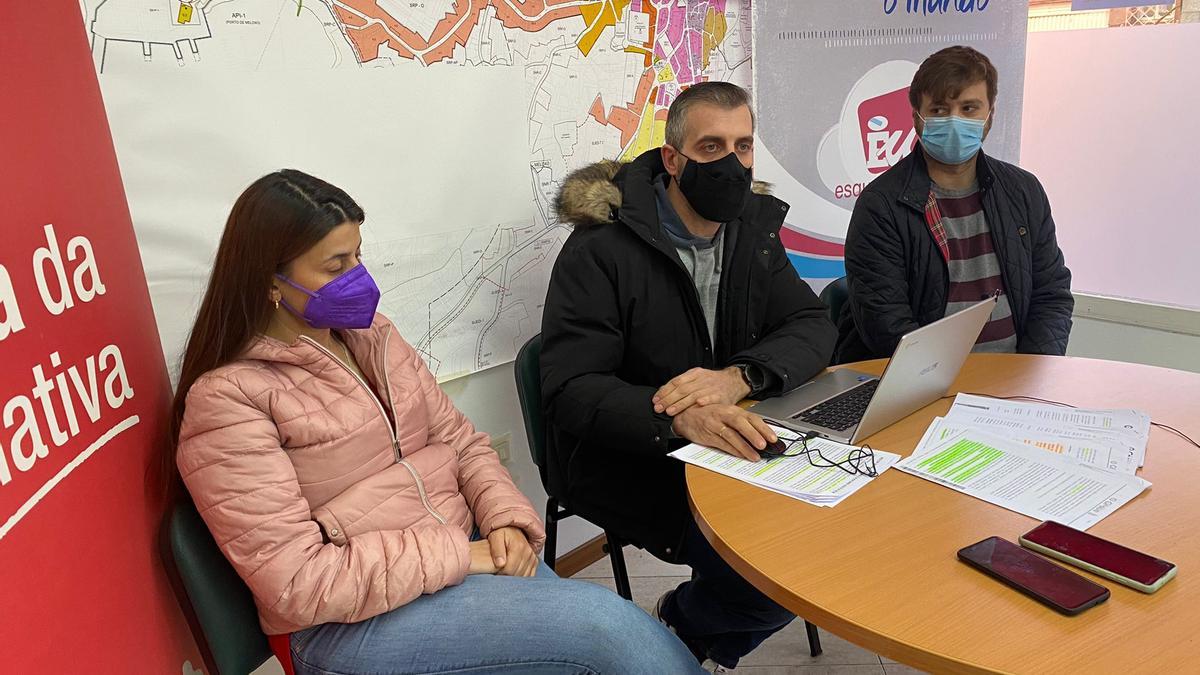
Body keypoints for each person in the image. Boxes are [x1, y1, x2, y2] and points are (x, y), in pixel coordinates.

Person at [170, 169, 704, 675]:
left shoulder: (375, 338)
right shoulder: (229, 402)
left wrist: (503, 522)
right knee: (609, 630)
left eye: (358, 257)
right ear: (271, 284)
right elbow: (298, 584)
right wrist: (465, 556)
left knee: (606, 646)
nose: (358, 279)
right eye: (334, 268)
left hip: (456, 553)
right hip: (345, 623)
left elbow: (462, 442)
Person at [541, 82, 837, 672]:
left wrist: (741, 376)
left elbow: (810, 322)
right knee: (774, 577)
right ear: (673, 160)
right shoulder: (599, 249)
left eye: (743, 146)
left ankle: (683, 632)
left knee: (835, 541)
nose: (731, 163)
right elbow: (569, 389)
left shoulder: (752, 232)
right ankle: (682, 630)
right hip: (634, 455)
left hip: (733, 439)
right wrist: (677, 416)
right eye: (710, 147)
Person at [836, 46, 1073, 363]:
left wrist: (1031, 375)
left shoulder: (1023, 191)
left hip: (1016, 383)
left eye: (969, 108)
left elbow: (1051, 294)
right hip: (924, 388)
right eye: (938, 110)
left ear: (990, 114)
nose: (954, 121)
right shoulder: (881, 205)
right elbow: (886, 325)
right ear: (917, 118)